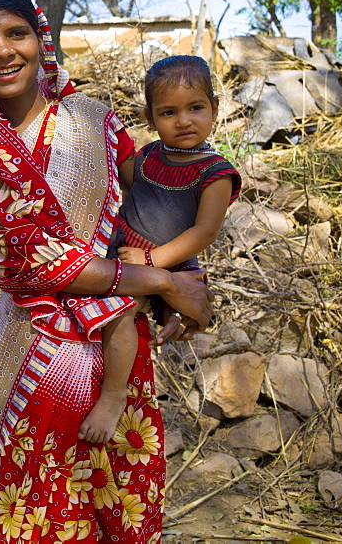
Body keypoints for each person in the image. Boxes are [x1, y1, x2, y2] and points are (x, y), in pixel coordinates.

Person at [0, 0, 213, 541]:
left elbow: (149, 209)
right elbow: (26, 263)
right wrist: (160, 282)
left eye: (17, 32)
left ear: (41, 37)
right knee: (46, 514)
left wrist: (187, 281)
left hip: (122, 348)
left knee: (125, 506)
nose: (4, 49)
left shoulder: (93, 121)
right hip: (37, 355)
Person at [79, 55, 242, 444]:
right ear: (151, 118)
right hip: (121, 244)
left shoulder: (215, 172)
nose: (183, 120)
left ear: (214, 110)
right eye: (169, 112)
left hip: (163, 256)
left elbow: (203, 233)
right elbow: (130, 185)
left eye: (196, 108)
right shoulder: (150, 153)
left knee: (120, 314)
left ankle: (113, 397)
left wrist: (153, 264)